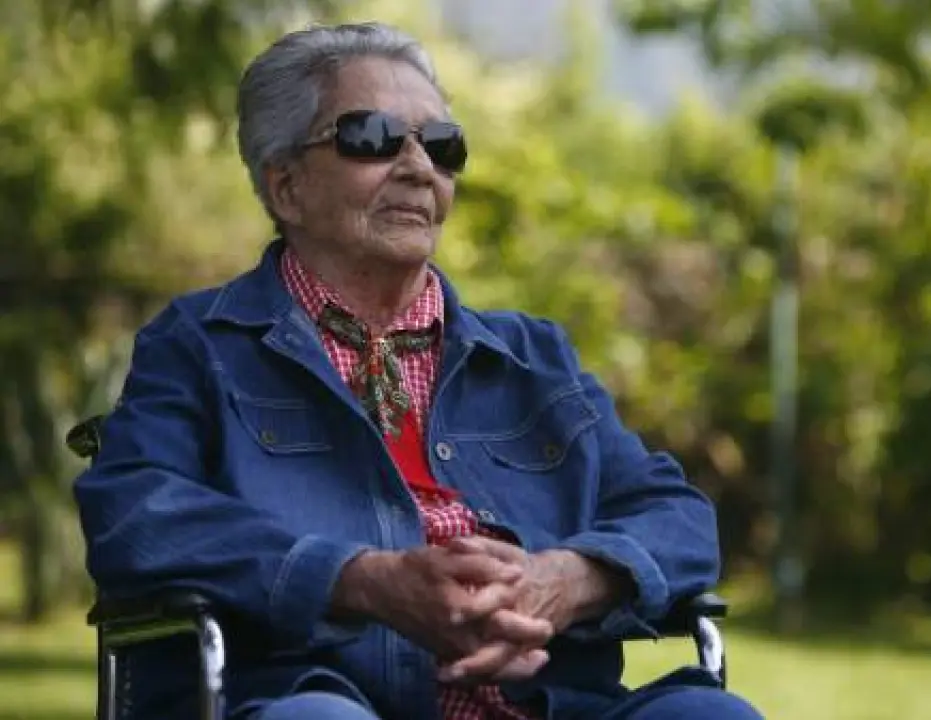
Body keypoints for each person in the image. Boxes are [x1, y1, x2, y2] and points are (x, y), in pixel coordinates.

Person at [73, 21, 762, 720]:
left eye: (441, 144)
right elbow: (134, 515)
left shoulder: (534, 358)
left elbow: (679, 519)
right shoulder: (200, 345)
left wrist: (569, 578)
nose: (417, 167)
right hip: (311, 699)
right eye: (371, 137)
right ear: (286, 187)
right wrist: (360, 581)